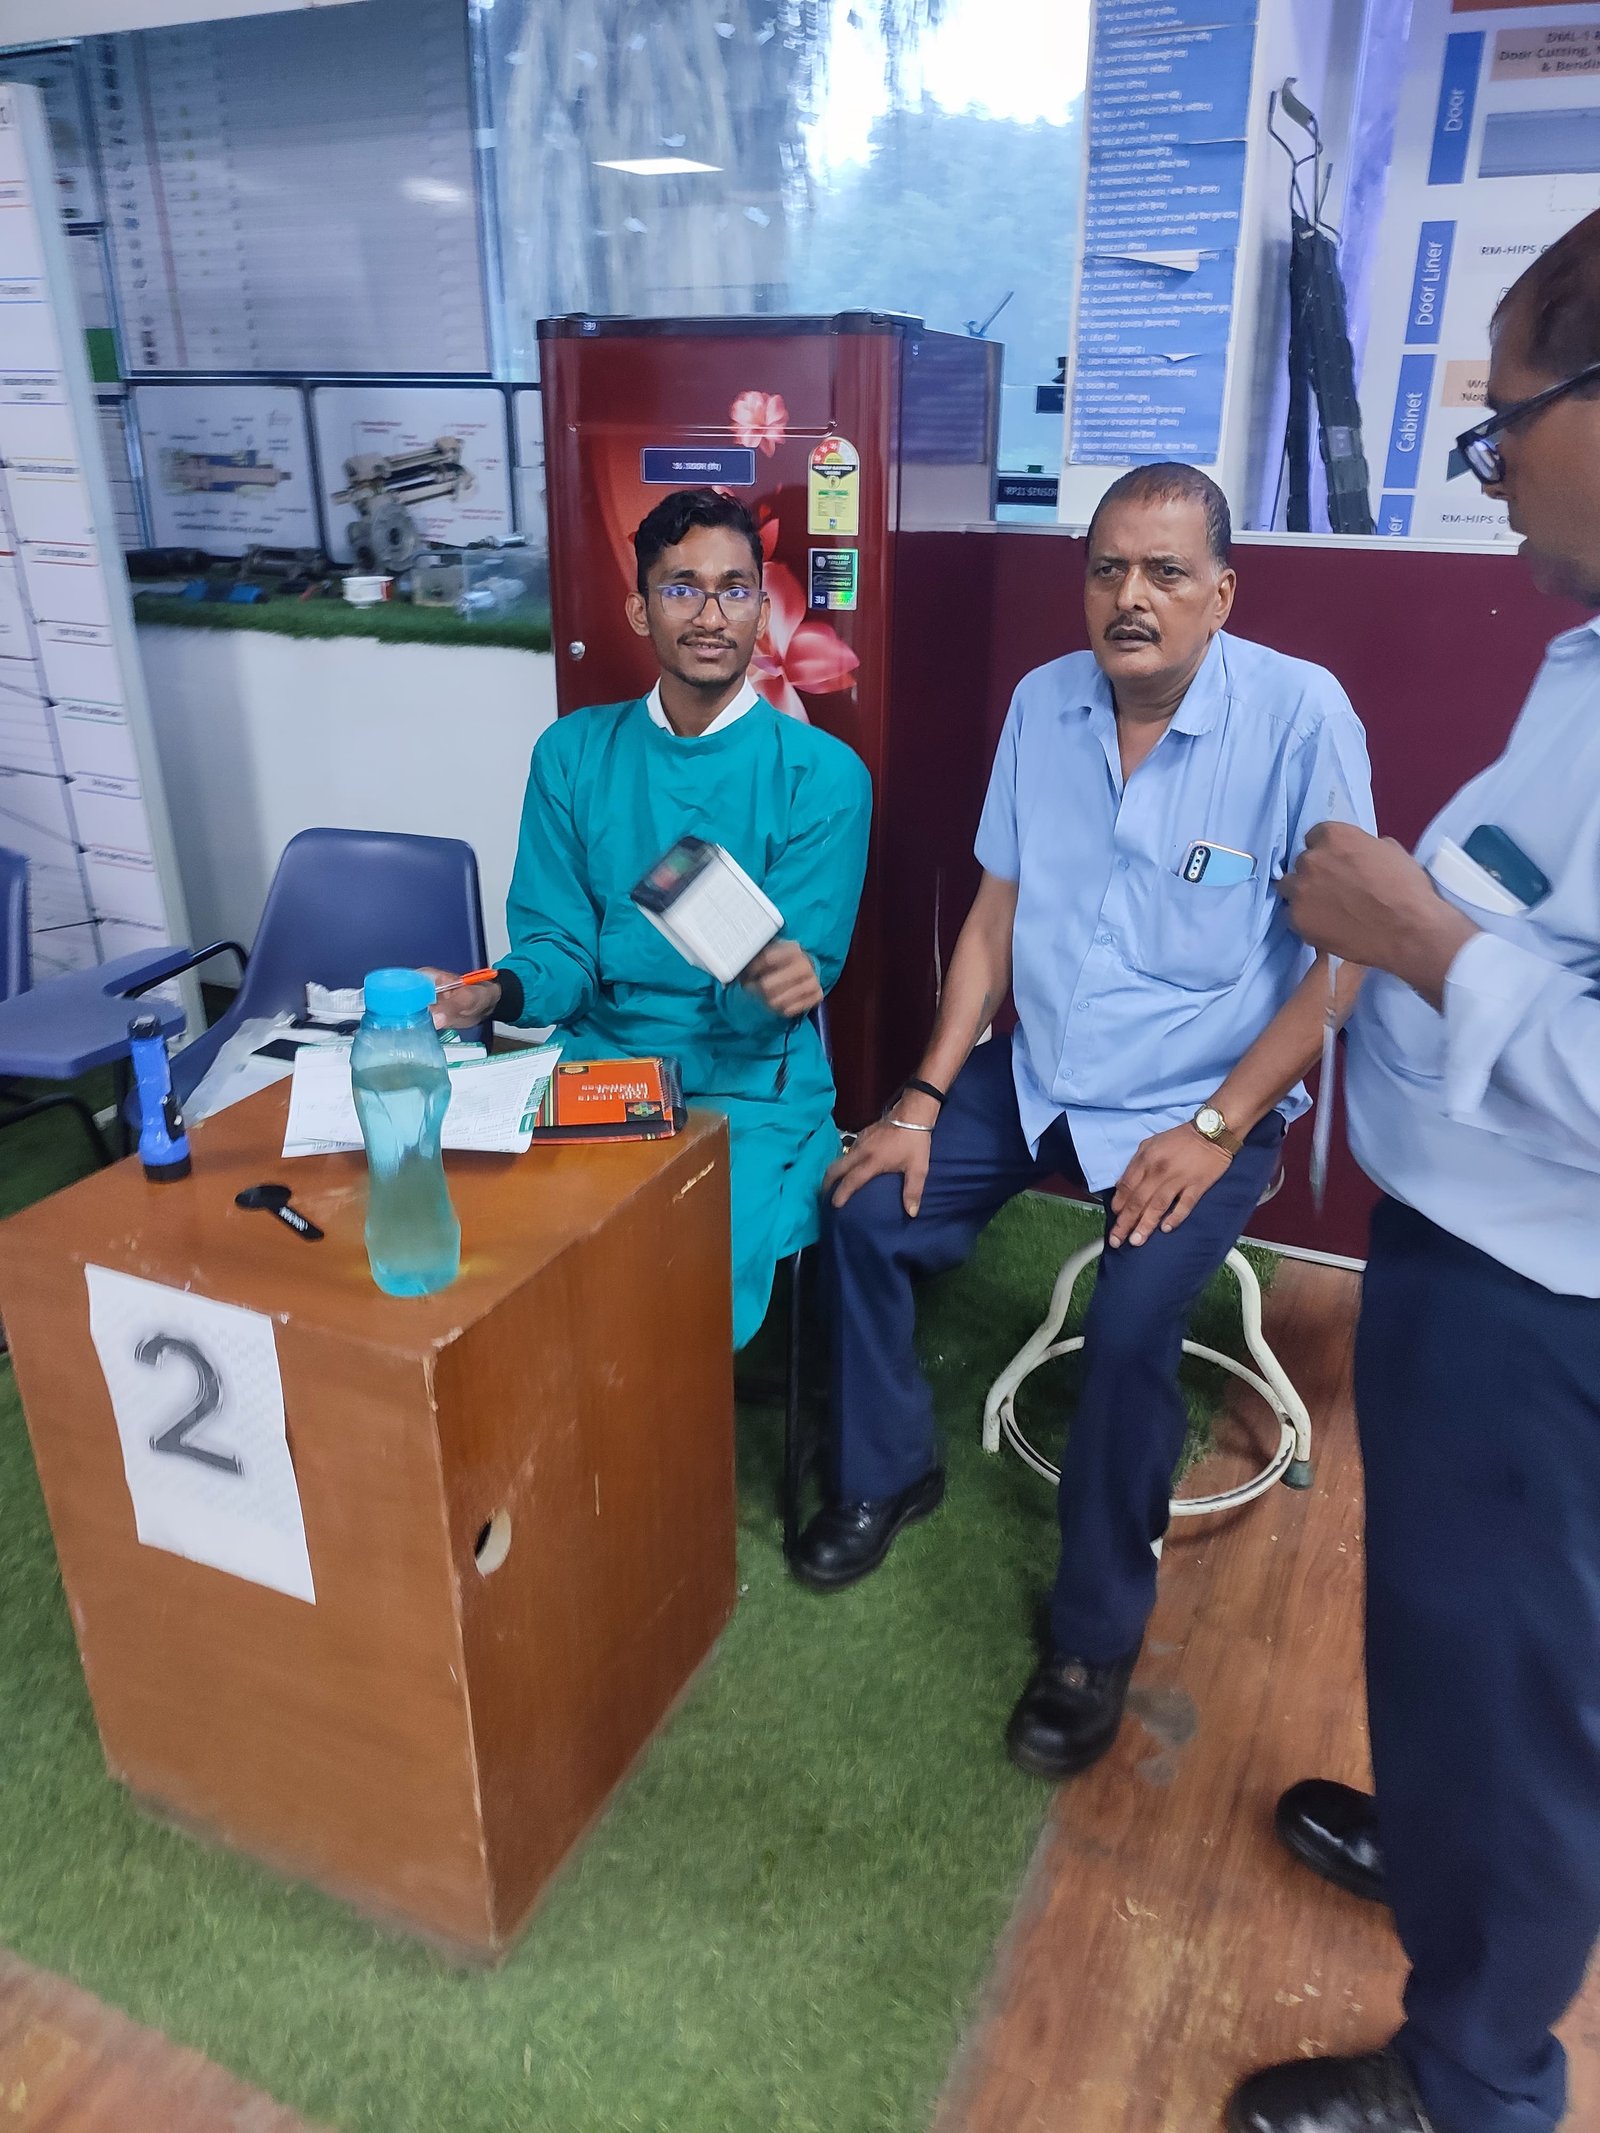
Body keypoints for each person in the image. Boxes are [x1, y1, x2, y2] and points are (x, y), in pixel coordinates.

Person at [791, 463, 1375, 1781]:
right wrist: (921, 1097)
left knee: (1127, 1325)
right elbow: (993, 920)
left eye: (1166, 571)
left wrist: (1218, 1125)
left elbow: (1346, 962)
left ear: (1222, 594)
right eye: (1109, 568)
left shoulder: (1299, 716)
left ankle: (1095, 1633)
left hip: (1200, 1101)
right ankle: (888, 1468)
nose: (1132, 597)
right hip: (1044, 1073)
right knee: (866, 1206)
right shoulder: (1042, 704)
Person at [1227, 209, 1600, 2133]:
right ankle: (1454, 1849)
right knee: (1471, 1652)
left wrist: (1419, 935)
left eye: (1507, 423)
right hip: (1469, 1264)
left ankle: (1478, 2078)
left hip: (1555, 1311)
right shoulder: (1586, 648)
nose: (1495, 468)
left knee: (1526, 1682)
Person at [430, 488, 871, 1350]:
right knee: (501, 1244)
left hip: (745, 1085)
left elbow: (785, 981)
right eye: (681, 589)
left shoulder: (823, 777)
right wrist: (495, 993)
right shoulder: (573, 755)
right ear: (640, 610)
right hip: (601, 1061)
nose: (710, 615)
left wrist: (771, 984)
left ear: (762, 611)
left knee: (673, 1284)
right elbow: (558, 947)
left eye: (735, 590)